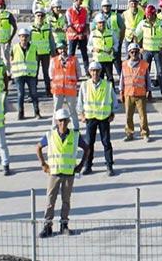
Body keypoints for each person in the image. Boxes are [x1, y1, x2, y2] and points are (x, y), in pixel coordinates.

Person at [35, 109, 80, 237]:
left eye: (65, 120)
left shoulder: (75, 135)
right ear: (56, 121)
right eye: (60, 120)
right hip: (54, 173)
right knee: (50, 200)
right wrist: (43, 164)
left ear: (69, 121)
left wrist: (81, 165)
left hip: (68, 173)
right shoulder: (50, 135)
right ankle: (47, 225)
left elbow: (86, 148)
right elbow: (38, 147)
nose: (63, 123)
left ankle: (64, 225)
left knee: (66, 200)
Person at [79, 62, 117, 175]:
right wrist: (81, 115)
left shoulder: (107, 85)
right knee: (89, 143)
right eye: (93, 71)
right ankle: (88, 165)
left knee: (106, 142)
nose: (95, 73)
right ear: (90, 72)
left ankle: (109, 166)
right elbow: (80, 102)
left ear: (100, 72)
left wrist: (112, 113)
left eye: (97, 71)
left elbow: (114, 100)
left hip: (104, 118)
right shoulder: (85, 85)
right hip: (90, 118)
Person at [13, 16, 48, 119]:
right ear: (19, 37)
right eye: (22, 36)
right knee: (20, 95)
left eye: (26, 36)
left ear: (29, 37)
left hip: (31, 74)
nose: (24, 38)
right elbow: (12, 59)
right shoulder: (14, 48)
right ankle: (20, 113)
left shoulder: (34, 47)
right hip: (19, 75)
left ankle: (37, 112)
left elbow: (36, 59)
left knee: (34, 94)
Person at [120, 44, 152, 142]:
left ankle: (144, 133)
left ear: (139, 52)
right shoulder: (124, 64)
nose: (134, 53)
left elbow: (147, 79)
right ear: (129, 53)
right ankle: (129, 133)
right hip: (128, 94)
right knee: (128, 115)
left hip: (140, 94)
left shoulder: (144, 64)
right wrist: (121, 91)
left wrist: (149, 91)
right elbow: (122, 79)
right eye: (132, 52)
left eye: (136, 51)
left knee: (143, 116)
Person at [49, 46, 80, 122]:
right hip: (58, 89)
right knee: (56, 110)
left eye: (64, 48)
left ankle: (75, 129)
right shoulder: (54, 60)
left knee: (72, 110)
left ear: (67, 48)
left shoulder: (74, 59)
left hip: (70, 89)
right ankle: (54, 129)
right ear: (58, 50)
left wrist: (73, 81)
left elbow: (79, 73)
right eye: (60, 48)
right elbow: (51, 74)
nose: (62, 50)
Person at [90, 12, 117, 84]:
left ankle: (111, 93)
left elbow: (116, 43)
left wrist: (113, 49)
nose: (102, 24)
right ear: (96, 24)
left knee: (110, 78)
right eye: (100, 23)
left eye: (103, 22)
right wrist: (93, 49)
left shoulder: (111, 32)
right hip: (98, 59)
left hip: (108, 59)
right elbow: (89, 45)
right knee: (99, 78)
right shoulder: (93, 33)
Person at [65, 0, 90, 68]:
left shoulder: (84, 10)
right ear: (75, 0)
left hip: (82, 35)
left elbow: (87, 23)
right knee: (71, 54)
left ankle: (87, 71)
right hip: (73, 36)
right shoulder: (69, 11)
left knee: (84, 54)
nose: (82, 0)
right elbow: (69, 25)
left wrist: (83, 33)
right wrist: (78, 34)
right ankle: (70, 70)